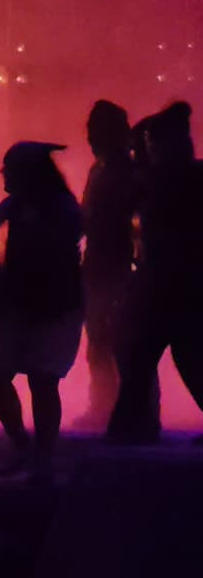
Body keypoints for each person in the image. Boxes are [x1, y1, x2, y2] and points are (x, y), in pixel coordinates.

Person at [0, 142, 83, 482]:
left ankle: (42, 457)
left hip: (53, 307)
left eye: (9, 166)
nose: (2, 172)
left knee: (43, 380)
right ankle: (21, 445)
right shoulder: (9, 207)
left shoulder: (61, 208)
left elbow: (56, 253)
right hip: (12, 306)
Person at [108, 102, 203, 443]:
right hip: (164, 288)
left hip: (179, 288)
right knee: (145, 359)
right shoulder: (156, 182)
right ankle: (127, 428)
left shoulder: (179, 182)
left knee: (171, 358)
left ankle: (126, 429)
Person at [76, 101, 137, 430]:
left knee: (117, 343)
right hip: (99, 266)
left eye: (95, 131)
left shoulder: (127, 173)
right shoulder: (100, 170)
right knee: (99, 341)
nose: (89, 138)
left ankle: (119, 410)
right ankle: (103, 406)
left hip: (119, 268)